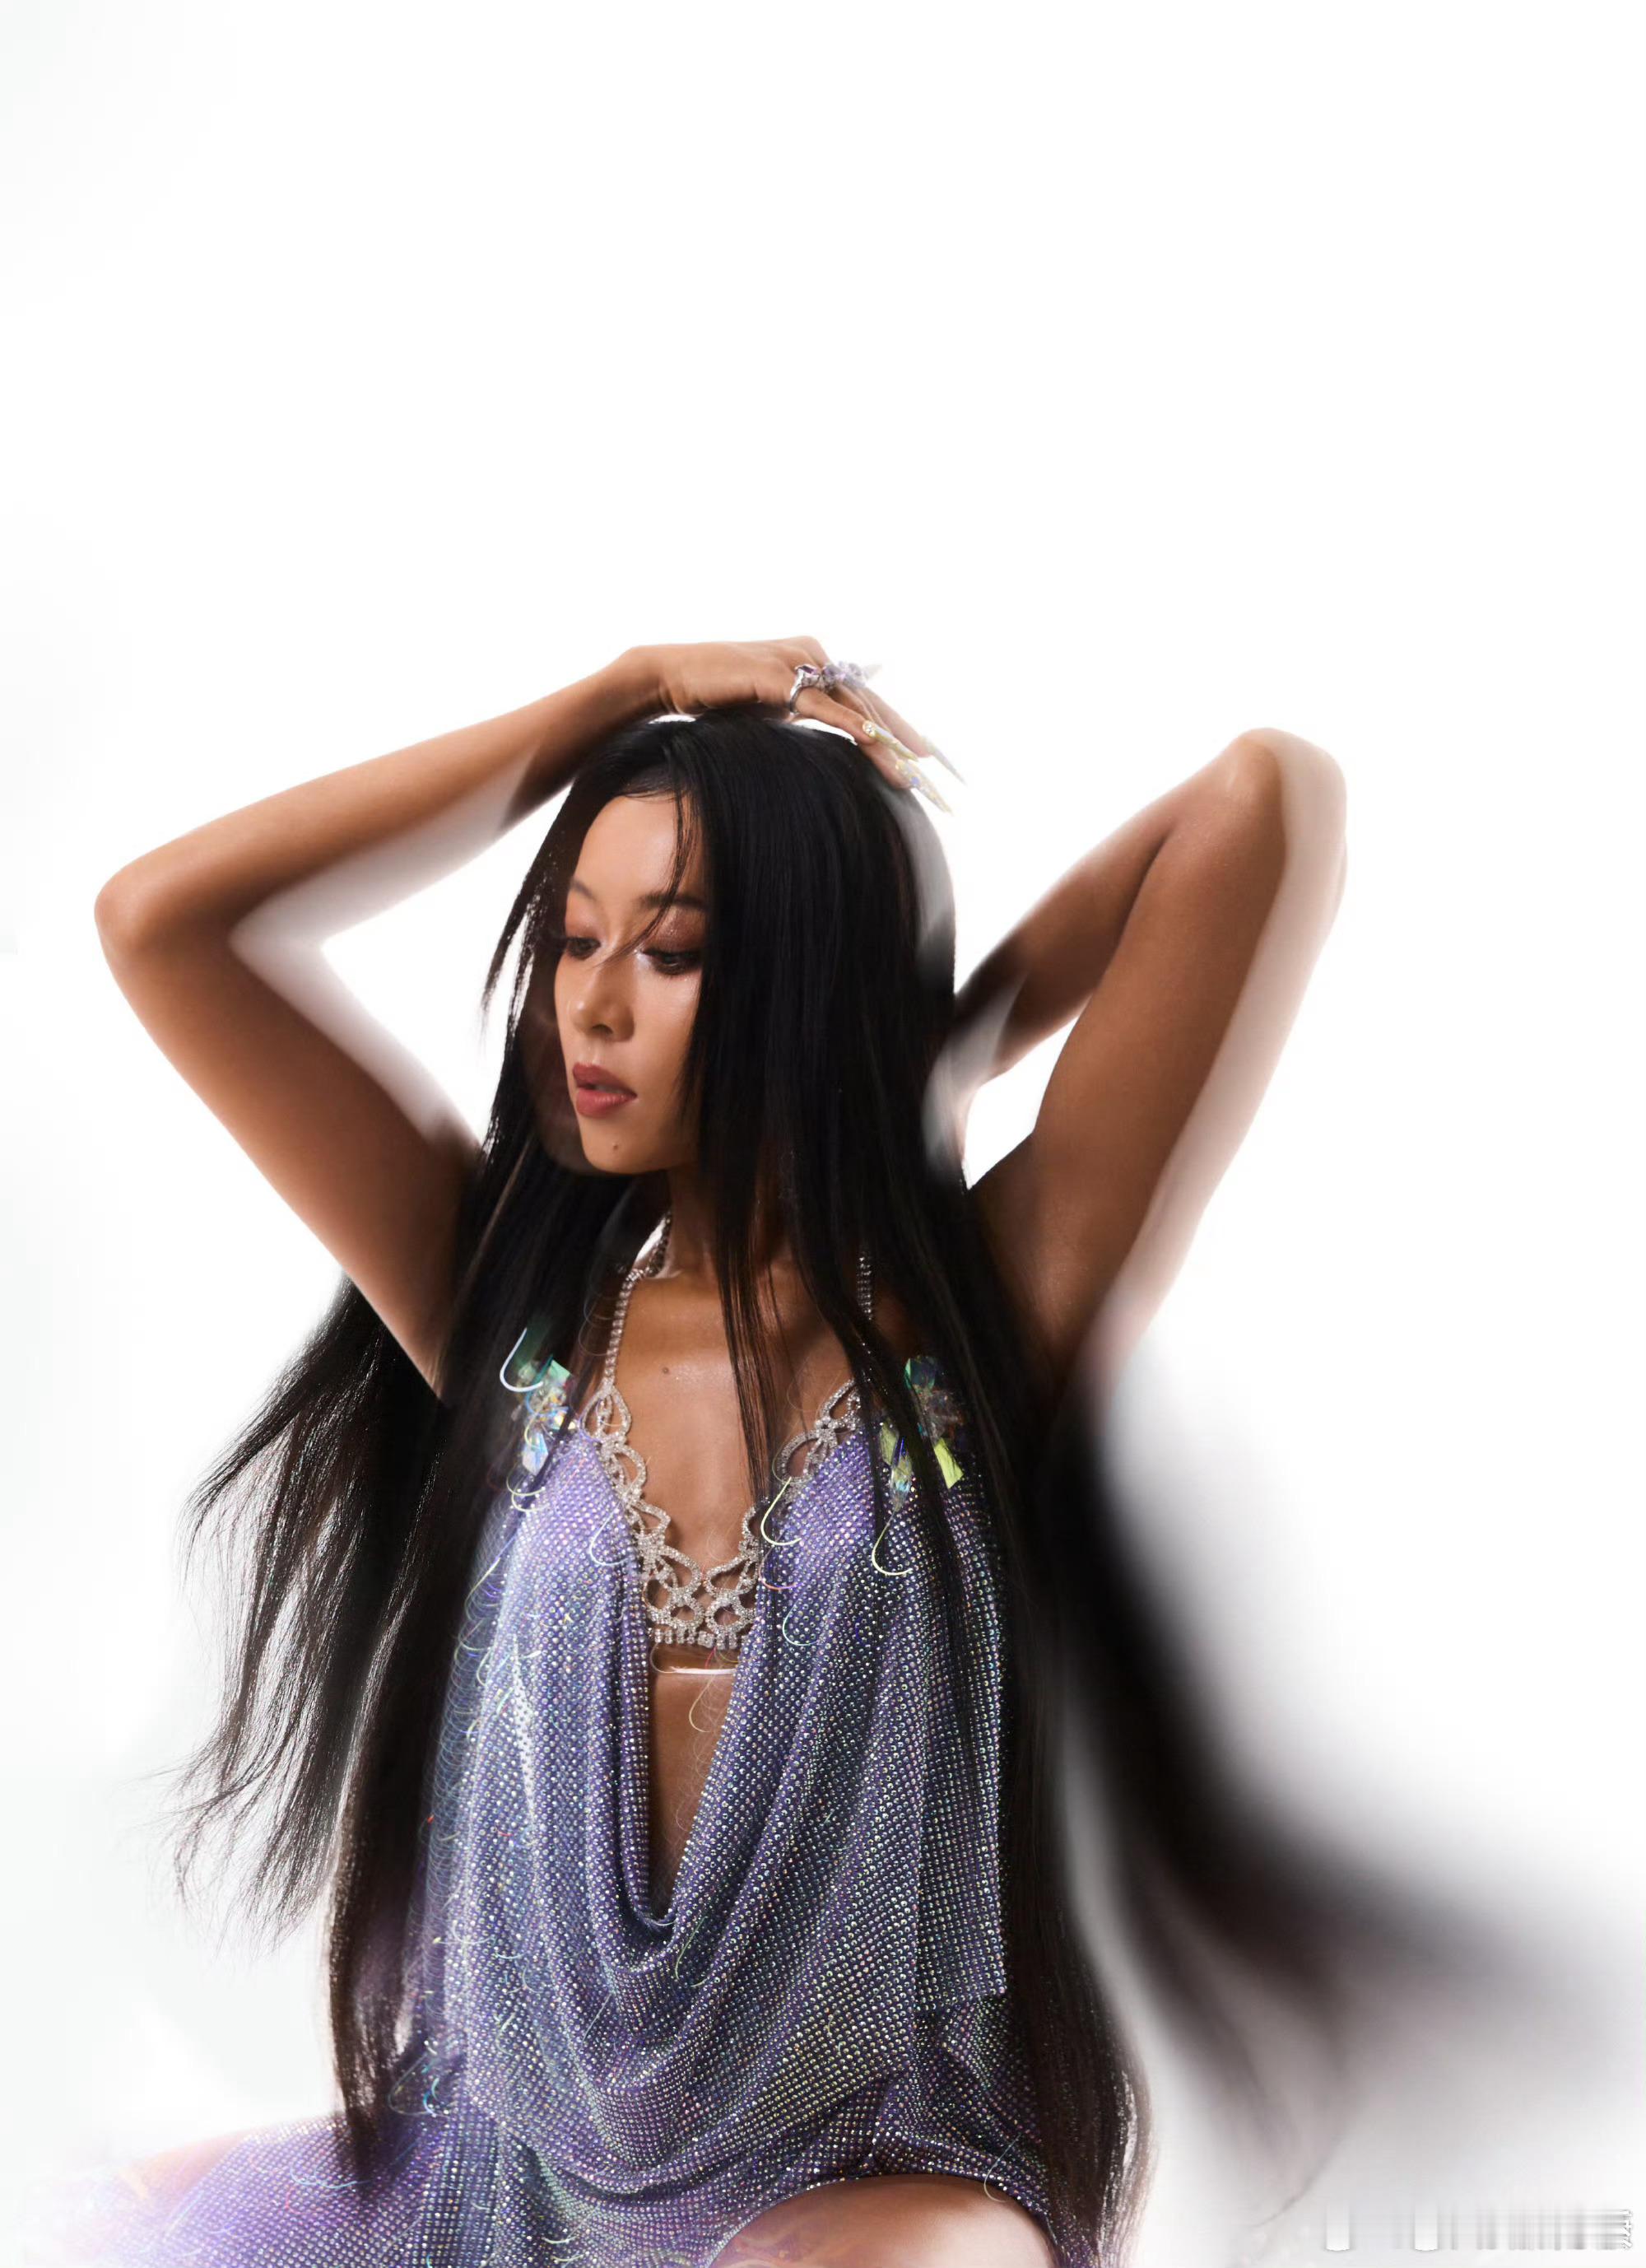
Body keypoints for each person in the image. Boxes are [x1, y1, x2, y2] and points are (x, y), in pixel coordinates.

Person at [34, 639, 1435, 2268]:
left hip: (871, 2177)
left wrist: (913, 1051)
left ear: (801, 986)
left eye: (674, 950)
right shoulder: (514, 1328)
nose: (593, 1002)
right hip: (508, 2185)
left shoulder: (979, 1331)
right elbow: (161, 921)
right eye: (572, 939)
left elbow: (1265, 801)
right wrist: (612, 697)